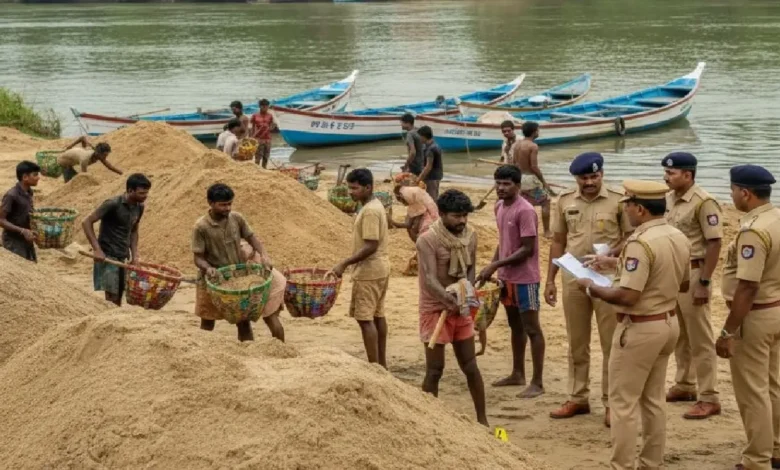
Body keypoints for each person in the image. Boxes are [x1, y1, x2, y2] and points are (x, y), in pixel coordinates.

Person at [577, 179, 690, 470]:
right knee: (653, 400)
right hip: (667, 322)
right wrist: (616, 265)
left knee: (623, 404)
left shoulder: (640, 242)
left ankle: (622, 466)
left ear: (639, 209)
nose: (624, 208)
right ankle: (651, 462)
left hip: (640, 327)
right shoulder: (676, 235)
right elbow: (683, 280)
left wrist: (591, 287)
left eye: (627, 204)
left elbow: (627, 295)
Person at [545, 152, 633, 426]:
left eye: (595, 176)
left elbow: (631, 236)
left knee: (611, 343)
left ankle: (611, 403)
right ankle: (577, 397)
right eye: (585, 177)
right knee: (576, 342)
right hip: (573, 278)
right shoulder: (564, 201)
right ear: (576, 179)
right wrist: (550, 278)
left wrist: (610, 255)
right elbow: (558, 241)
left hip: (607, 280)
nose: (590, 181)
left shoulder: (619, 200)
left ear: (602, 174)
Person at [716, 165, 780, 470]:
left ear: (744, 192)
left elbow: (748, 285)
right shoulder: (776, 217)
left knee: (753, 393)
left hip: (755, 315)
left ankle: (757, 459)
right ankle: (776, 448)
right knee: (772, 386)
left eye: (732, 190)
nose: (731, 195)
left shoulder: (754, 229)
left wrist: (729, 331)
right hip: (775, 309)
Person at [417, 189, 488, 426]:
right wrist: (450, 300)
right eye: (457, 216)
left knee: (470, 365)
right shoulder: (427, 239)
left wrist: (466, 293)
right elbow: (429, 278)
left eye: (465, 215)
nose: (462, 221)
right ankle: (429, 421)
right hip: (435, 309)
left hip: (461, 308)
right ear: (443, 214)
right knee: (435, 369)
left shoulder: (471, 236)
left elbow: (470, 268)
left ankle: (482, 420)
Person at [661, 152, 722, 420]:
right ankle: (685, 384)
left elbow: (715, 242)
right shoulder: (669, 198)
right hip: (674, 274)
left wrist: (705, 282)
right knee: (680, 333)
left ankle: (709, 396)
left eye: (672, 173)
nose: (666, 177)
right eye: (666, 172)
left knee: (700, 337)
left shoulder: (704, 202)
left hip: (695, 271)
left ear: (688, 175)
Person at [476, 165, 545, 398]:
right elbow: (503, 241)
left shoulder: (525, 211)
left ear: (518, 186)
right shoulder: (498, 206)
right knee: (515, 327)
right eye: (498, 183)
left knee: (532, 329)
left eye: (506, 184)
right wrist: (493, 265)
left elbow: (527, 249)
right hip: (507, 278)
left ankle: (537, 382)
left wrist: (495, 265)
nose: (501, 188)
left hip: (527, 279)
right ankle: (518, 373)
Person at [192, 183, 285, 342]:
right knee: (207, 319)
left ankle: (247, 350)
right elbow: (198, 257)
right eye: (223, 205)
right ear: (211, 203)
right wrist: (208, 268)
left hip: (237, 278)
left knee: (243, 320)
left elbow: (251, 238)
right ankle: (203, 352)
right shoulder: (201, 227)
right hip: (213, 279)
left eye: (229, 204)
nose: (227, 208)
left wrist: (264, 255)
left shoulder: (236, 218)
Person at [330, 169, 391, 367]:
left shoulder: (371, 211)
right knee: (377, 314)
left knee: (365, 319)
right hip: (380, 268)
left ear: (368, 187)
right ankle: (381, 363)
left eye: (355, 188)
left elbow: (371, 244)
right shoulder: (372, 205)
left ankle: (375, 365)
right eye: (349, 187)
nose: (351, 192)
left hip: (370, 270)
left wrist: (345, 263)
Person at [82, 173, 151, 306]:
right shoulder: (112, 204)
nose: (145, 197)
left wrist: (135, 255)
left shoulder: (139, 207)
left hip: (122, 256)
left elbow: (134, 231)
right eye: (141, 193)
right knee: (112, 297)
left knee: (120, 294)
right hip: (107, 256)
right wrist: (97, 250)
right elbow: (86, 222)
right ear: (130, 190)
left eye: (146, 193)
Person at [389, 172, 439, 276]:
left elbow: (409, 225)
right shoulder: (416, 204)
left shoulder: (428, 213)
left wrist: (393, 222)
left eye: (402, 199)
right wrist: (392, 222)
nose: (402, 202)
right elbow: (408, 224)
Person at [512, 121, 552, 238]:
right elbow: (534, 167)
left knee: (526, 203)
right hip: (530, 180)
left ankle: (525, 229)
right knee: (545, 202)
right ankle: (546, 231)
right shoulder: (533, 146)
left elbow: (514, 163)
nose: (539, 132)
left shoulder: (517, 144)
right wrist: (544, 181)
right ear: (534, 132)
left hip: (520, 178)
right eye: (538, 130)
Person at [0, 161, 40, 262]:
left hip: (26, 239)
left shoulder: (29, 192)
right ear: (25, 177)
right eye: (35, 175)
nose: (38, 177)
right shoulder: (11, 195)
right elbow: (1, 220)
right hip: (13, 241)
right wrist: (22, 231)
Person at [57, 136, 122, 183]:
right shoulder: (85, 159)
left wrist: (122, 174)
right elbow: (84, 176)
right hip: (63, 162)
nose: (105, 157)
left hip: (72, 155)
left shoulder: (96, 151)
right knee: (72, 183)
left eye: (106, 155)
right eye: (104, 155)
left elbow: (82, 138)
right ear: (98, 153)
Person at [417, 125, 443, 201]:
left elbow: (428, 167)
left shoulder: (430, 149)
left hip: (432, 177)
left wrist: (419, 179)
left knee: (432, 198)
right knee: (432, 195)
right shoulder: (435, 145)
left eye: (420, 137)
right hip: (437, 175)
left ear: (424, 136)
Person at [250, 99, 276, 168]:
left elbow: (272, 125)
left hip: (267, 139)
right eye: (263, 106)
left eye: (266, 106)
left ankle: (264, 169)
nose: (265, 108)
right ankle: (257, 170)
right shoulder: (255, 115)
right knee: (258, 157)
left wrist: (271, 128)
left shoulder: (270, 116)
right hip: (258, 138)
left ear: (268, 106)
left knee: (266, 156)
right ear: (260, 106)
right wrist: (252, 138)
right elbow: (252, 127)